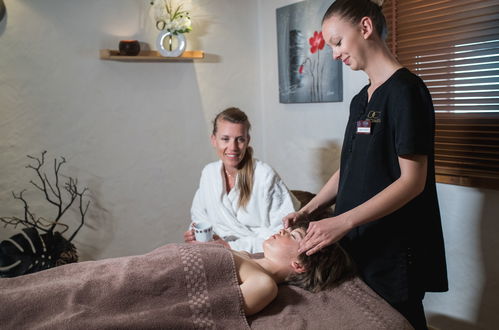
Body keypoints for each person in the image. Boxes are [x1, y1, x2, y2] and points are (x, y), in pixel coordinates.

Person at [282, 1, 448, 329]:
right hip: (359, 244)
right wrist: (309, 210)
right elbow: (350, 167)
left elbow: (412, 182)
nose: (334, 54)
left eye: (337, 42)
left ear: (366, 28)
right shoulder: (362, 99)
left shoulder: (406, 92)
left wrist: (342, 222)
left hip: (395, 248)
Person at [185, 107, 300, 253]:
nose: (233, 147)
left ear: (247, 141)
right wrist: (194, 235)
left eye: (240, 139)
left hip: (257, 256)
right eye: (225, 139)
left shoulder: (264, 176)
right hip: (214, 250)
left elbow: (283, 233)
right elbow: (199, 218)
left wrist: (232, 246)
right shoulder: (209, 174)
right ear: (214, 140)